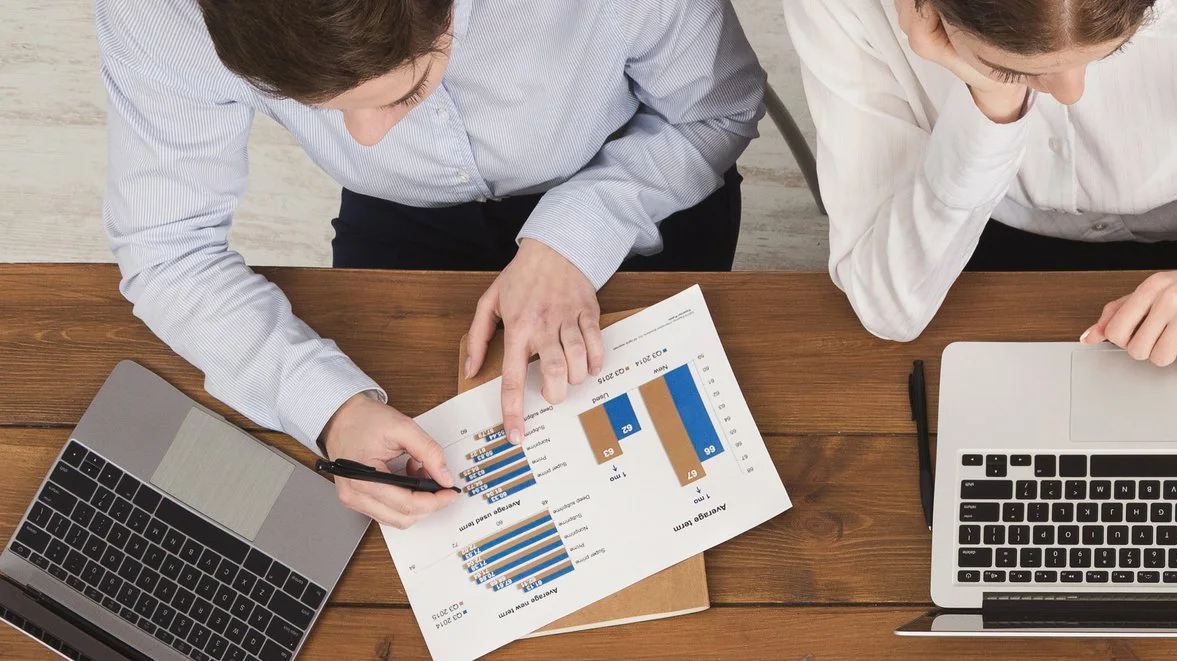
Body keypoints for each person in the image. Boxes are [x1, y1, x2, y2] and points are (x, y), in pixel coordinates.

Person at [101, 0, 764, 526]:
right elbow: (167, 248)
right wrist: (327, 409)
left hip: (635, 171)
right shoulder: (162, 10)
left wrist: (574, 235)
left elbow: (717, 113)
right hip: (403, 218)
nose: (363, 138)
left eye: (406, 92)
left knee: (679, 491)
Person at [785, 0, 1177, 360]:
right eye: (1011, 66)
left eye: (1115, 50)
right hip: (979, 243)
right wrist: (993, 103)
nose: (1071, 92)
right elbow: (889, 306)